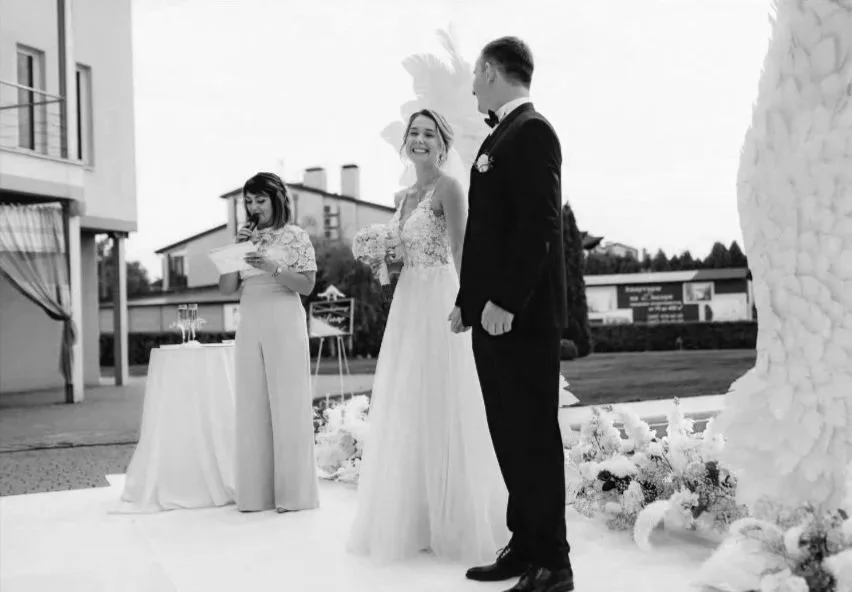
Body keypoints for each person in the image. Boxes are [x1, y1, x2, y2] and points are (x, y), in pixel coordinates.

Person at [347, 109, 509, 564]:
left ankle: (458, 516)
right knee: (408, 401)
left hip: (440, 296)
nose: (420, 139)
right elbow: (400, 256)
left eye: (429, 133)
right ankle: (415, 515)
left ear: (442, 144)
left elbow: (460, 247)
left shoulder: (449, 188)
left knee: (445, 398)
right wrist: (382, 264)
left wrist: (466, 300)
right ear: (406, 143)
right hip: (408, 304)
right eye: (414, 133)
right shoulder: (402, 197)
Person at [450, 37, 575, 592]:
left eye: (475, 77)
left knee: (533, 437)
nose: (473, 87)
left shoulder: (532, 131)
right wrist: (468, 301)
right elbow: (487, 234)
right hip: (491, 315)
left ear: (488, 71)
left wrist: (505, 300)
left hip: (520, 317)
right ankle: (524, 544)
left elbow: (538, 225)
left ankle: (554, 562)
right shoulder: (500, 133)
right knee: (508, 434)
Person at [218, 172, 319, 513]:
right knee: (252, 403)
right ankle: (256, 493)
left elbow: (307, 286)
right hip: (250, 320)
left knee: (288, 402)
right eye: (248, 201)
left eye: (260, 200)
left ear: (276, 199)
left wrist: (273, 268)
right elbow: (226, 288)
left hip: (284, 317)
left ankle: (293, 495)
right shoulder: (244, 238)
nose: (253, 207)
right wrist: (236, 250)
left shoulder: (296, 236)